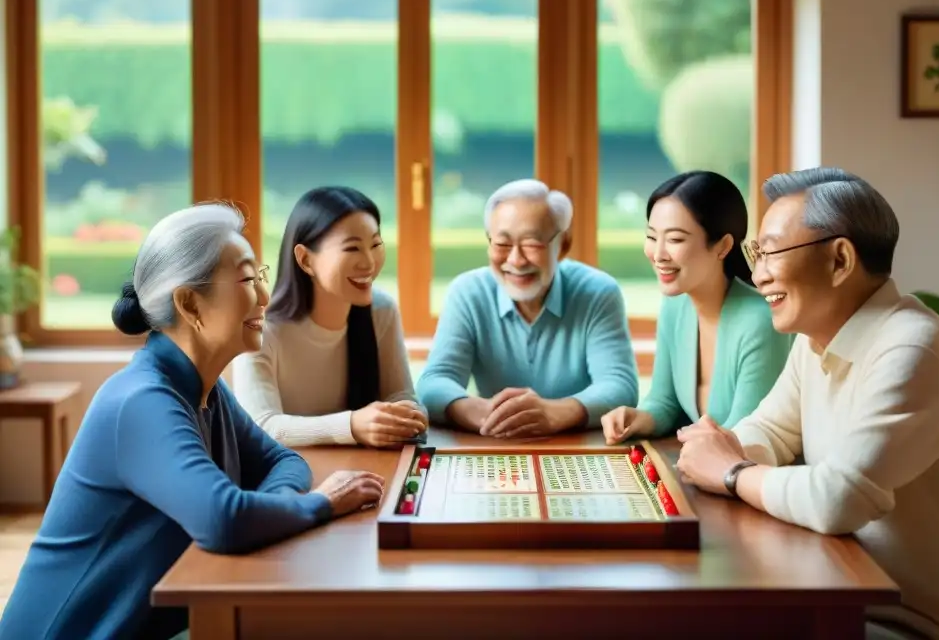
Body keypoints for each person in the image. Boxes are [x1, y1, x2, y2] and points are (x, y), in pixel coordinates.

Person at [0, 203, 386, 640]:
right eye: (246, 279)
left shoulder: (205, 388)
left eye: (258, 276)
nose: (264, 296)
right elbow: (224, 520)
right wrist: (321, 503)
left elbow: (285, 462)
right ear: (188, 303)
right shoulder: (142, 401)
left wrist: (265, 509)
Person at [675, 168, 939, 640]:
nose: (757, 274)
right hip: (853, 595)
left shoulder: (912, 350)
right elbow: (771, 432)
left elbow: (838, 499)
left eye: (771, 251)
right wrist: (724, 446)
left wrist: (732, 472)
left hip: (930, 629)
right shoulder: (817, 339)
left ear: (840, 260)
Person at [416, 179, 639, 439]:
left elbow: (620, 386)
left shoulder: (598, 291)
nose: (516, 260)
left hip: (577, 444)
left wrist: (556, 413)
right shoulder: (468, 291)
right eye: (502, 244)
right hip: (495, 442)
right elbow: (433, 383)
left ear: (563, 244)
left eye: (532, 244)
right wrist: (483, 412)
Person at [601, 171, 790, 444]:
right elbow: (664, 401)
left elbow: (745, 436)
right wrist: (640, 417)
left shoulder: (760, 321)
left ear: (723, 246)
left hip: (754, 473)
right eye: (652, 237)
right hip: (705, 465)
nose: (659, 254)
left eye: (675, 240)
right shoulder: (675, 305)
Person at [233, 187, 427, 448]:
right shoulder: (261, 329)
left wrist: (409, 414)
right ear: (305, 260)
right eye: (352, 248)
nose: (369, 262)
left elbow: (400, 394)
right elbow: (262, 426)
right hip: (286, 478)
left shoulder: (382, 311)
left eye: (376, 244)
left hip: (364, 471)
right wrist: (352, 426)